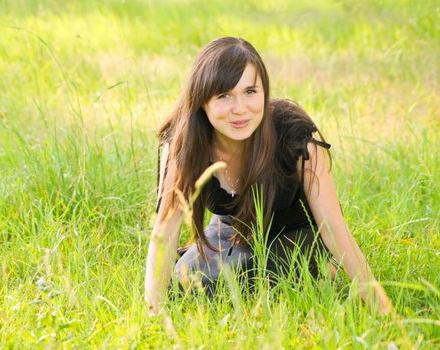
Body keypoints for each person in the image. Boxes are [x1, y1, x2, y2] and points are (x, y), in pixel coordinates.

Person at [144, 36, 393, 315]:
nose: (240, 108)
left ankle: (323, 268)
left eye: (250, 91)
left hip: (297, 234)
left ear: (265, 91)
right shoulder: (183, 142)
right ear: (202, 101)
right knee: (186, 285)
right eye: (224, 96)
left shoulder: (294, 137)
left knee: (240, 282)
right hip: (236, 230)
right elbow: (165, 232)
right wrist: (154, 315)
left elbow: (334, 228)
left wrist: (383, 310)